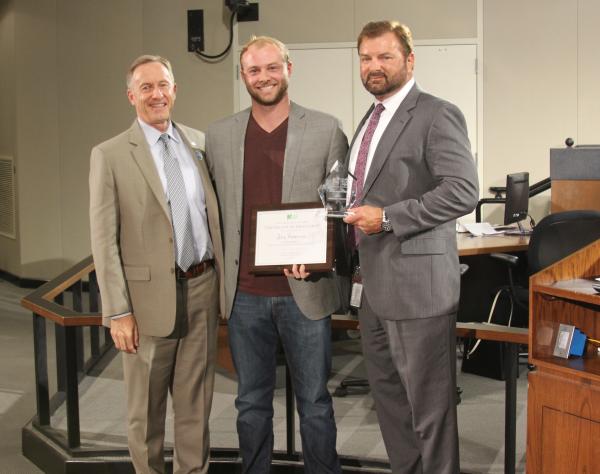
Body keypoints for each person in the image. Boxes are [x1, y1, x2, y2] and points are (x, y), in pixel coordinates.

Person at [205, 36, 348, 474]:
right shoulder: (219, 135)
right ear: (242, 76)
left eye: (272, 67)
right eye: (253, 70)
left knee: (315, 402)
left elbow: (338, 208)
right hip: (244, 295)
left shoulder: (326, 129)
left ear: (289, 68)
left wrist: (319, 254)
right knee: (250, 403)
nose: (263, 77)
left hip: (305, 291)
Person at [343, 21, 479, 474]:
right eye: (366, 58)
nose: (374, 66)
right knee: (392, 409)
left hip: (418, 290)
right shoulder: (369, 118)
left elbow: (462, 190)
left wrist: (388, 217)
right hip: (374, 289)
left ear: (409, 60)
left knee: (429, 413)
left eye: (385, 56)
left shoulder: (436, 114)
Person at [89, 54, 224, 474]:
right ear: (131, 96)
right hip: (144, 303)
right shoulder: (110, 154)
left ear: (175, 90)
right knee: (145, 414)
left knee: (195, 407)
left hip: (202, 287)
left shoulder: (200, 144)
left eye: (163, 85)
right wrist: (118, 312)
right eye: (145, 87)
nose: (156, 94)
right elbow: (103, 240)